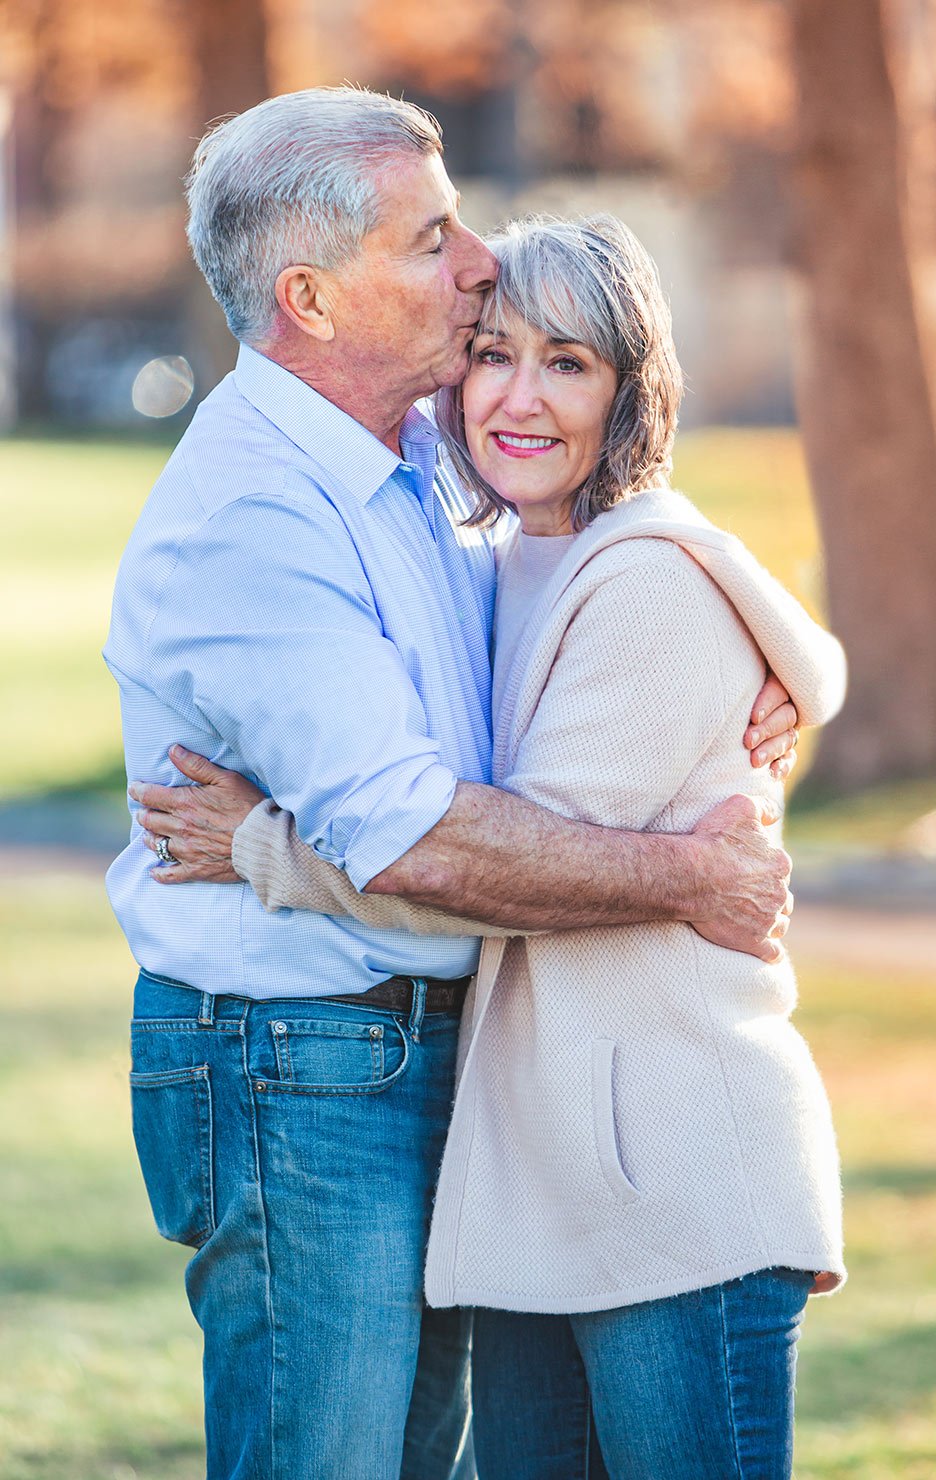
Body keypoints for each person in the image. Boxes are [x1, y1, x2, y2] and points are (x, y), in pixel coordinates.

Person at [111, 89, 804, 1478]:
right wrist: (695, 879)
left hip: (439, 1054)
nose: (478, 258)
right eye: (430, 238)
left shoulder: (421, 456)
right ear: (310, 296)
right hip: (295, 1067)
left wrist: (763, 657)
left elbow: (605, 551)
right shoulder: (258, 512)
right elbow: (417, 834)